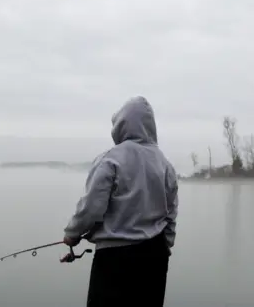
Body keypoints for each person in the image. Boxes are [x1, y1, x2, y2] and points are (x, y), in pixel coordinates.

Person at [61, 96, 179, 307]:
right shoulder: (165, 164)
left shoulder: (111, 158)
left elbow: (91, 207)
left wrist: (72, 234)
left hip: (115, 260)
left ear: (121, 125)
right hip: (156, 257)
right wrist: (166, 245)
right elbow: (171, 212)